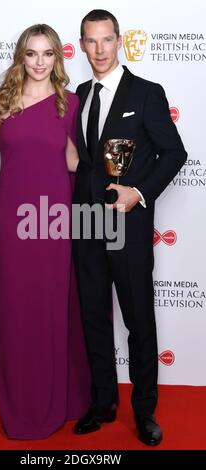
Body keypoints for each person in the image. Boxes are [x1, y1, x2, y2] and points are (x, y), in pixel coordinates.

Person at [0, 24, 90, 440]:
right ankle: (22, 406)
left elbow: (74, 161)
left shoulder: (69, 103)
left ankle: (63, 399)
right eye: (32, 54)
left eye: (47, 54)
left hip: (53, 220)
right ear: (21, 57)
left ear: (57, 58)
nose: (39, 63)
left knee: (55, 306)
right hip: (11, 219)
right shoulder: (1, 102)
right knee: (18, 310)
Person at [73, 9, 187, 445]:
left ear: (119, 40)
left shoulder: (147, 92)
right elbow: (76, 160)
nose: (99, 50)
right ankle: (103, 402)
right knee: (93, 315)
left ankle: (144, 411)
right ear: (81, 44)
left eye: (106, 40)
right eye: (90, 41)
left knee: (139, 319)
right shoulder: (79, 95)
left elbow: (174, 153)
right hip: (85, 221)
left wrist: (137, 192)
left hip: (128, 224)